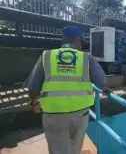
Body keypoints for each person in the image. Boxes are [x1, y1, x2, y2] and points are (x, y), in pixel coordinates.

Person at [23, 26, 107, 154]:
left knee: (58, 150)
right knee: (75, 148)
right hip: (81, 114)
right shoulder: (86, 58)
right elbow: (103, 83)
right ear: (76, 40)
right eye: (81, 43)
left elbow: (33, 87)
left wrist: (34, 103)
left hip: (53, 114)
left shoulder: (46, 56)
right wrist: (107, 90)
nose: (82, 47)